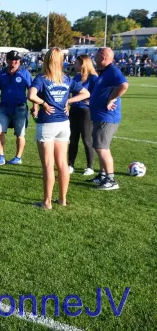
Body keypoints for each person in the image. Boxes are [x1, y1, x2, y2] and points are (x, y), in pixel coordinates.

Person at [28, 48, 90, 209]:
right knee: (62, 163)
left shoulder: (42, 78)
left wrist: (43, 103)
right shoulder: (66, 79)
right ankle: (62, 199)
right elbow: (85, 93)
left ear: (47, 60)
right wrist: (67, 102)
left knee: (48, 165)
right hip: (64, 124)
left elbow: (31, 95)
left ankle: (47, 202)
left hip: (47, 123)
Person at [87, 47, 129, 190]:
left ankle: (111, 179)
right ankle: (103, 175)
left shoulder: (113, 71)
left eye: (97, 57)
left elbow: (124, 85)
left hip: (106, 117)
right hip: (100, 116)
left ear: (104, 57)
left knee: (102, 147)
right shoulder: (105, 72)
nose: (94, 59)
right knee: (100, 146)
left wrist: (111, 99)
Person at [0, 50, 33, 165]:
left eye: (17, 60)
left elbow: (32, 90)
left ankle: (18, 157)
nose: (16, 62)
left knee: (20, 134)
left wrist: (35, 106)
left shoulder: (25, 73)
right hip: (4, 107)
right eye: (13, 60)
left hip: (20, 108)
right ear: (7, 60)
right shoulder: (1, 74)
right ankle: (1, 156)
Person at [68, 55, 98, 176]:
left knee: (87, 139)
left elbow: (98, 95)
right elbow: (70, 92)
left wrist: (90, 101)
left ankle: (90, 167)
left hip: (86, 112)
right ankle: (70, 165)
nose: (74, 65)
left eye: (76, 63)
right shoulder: (76, 77)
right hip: (74, 110)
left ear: (83, 64)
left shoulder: (93, 78)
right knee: (73, 139)